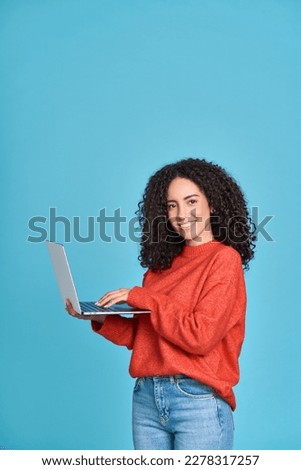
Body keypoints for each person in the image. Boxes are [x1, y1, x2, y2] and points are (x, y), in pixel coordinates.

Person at [66, 157, 256, 450]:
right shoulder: (160, 268)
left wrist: (140, 297)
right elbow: (146, 337)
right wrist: (100, 319)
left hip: (198, 399)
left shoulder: (223, 260)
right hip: (146, 399)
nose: (182, 214)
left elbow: (200, 336)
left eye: (192, 201)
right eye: (172, 205)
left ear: (213, 204)